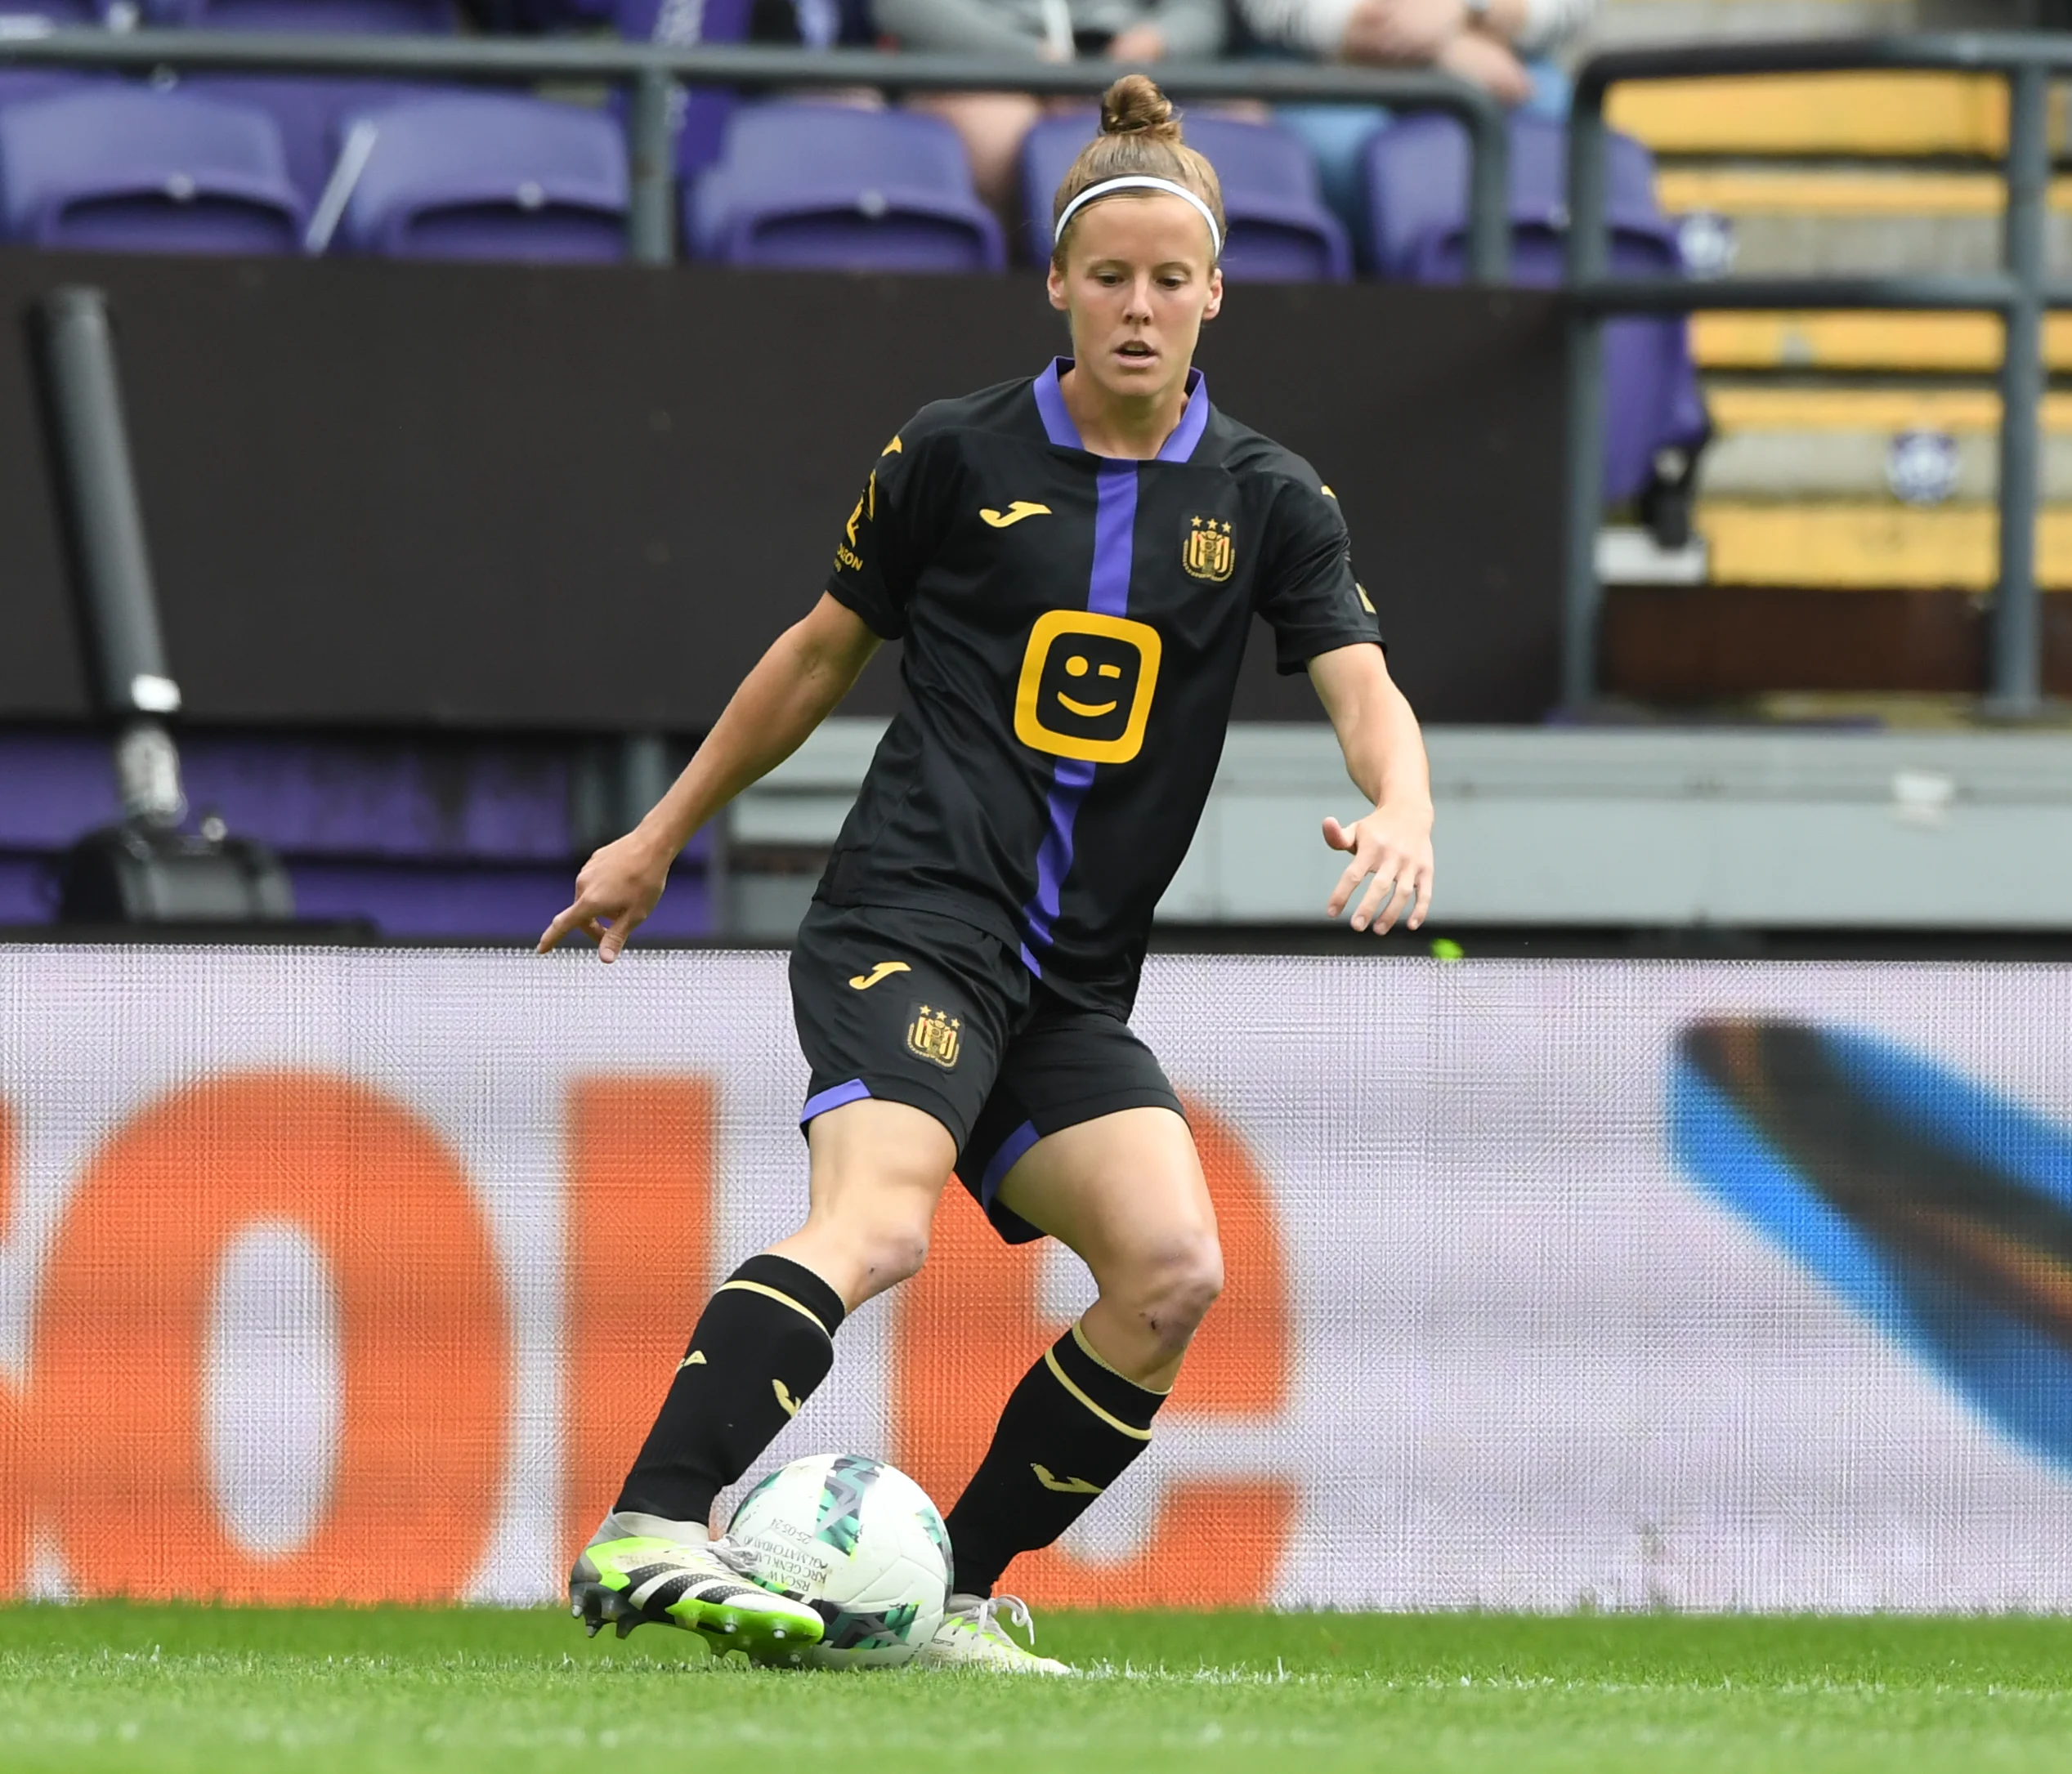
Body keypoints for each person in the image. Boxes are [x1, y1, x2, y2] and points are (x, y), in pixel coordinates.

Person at [543, 73, 1434, 1674]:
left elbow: (1360, 682)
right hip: (910, 919)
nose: (1141, 307)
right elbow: (815, 654)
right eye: (1111, 277)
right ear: (1057, 285)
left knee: (1171, 1272)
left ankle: (938, 1594)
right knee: (877, 1225)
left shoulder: (1268, 498)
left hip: (1066, 984)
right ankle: (651, 1519)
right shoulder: (950, 453)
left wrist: (1405, 805)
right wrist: (656, 834)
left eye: (1172, 280)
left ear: (1215, 292)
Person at [1233, 0, 1594, 248]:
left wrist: (1468, 8)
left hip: (1502, 50)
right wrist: (1442, 50)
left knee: (1556, 132)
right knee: (1344, 155)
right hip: (1320, 58)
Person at [870, 0, 1228, 214]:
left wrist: (1155, 41)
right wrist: (1030, 60)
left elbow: (1201, 11)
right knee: (998, 134)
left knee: (1239, 121)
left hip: (1132, 67)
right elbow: (906, 8)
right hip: (985, 65)